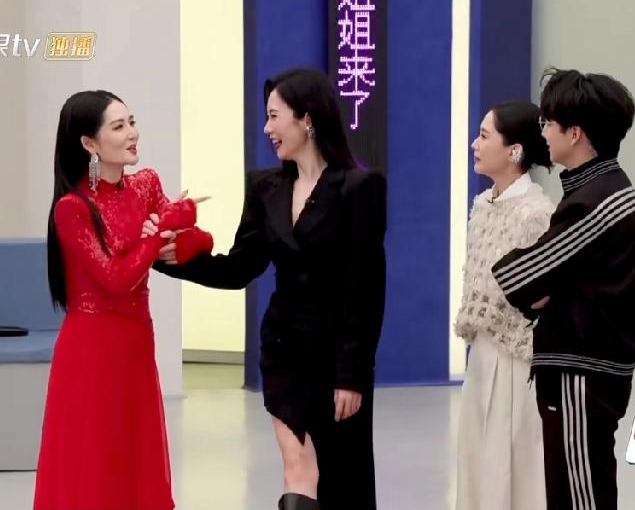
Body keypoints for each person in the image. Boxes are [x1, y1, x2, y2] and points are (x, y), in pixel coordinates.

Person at [155, 68, 386, 510]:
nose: (266, 129)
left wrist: (352, 376)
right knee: (298, 467)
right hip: (284, 352)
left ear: (307, 118)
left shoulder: (360, 188)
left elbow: (366, 290)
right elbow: (238, 268)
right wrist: (168, 259)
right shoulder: (265, 187)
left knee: (344, 477)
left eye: (274, 116)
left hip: (335, 359)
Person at [34, 90, 211, 510]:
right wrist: (159, 234)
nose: (133, 133)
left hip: (135, 344)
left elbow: (200, 240)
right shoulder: (73, 208)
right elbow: (116, 279)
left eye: (131, 122)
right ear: (89, 143)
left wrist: (175, 234)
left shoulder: (145, 184)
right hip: (91, 351)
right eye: (118, 127)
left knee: (133, 455)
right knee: (95, 461)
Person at [493, 68, 635, 510]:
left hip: (581, 371)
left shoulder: (595, 202)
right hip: (589, 367)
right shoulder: (601, 190)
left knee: (580, 495)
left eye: (548, 123)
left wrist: (543, 284)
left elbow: (519, 276)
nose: (543, 131)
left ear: (575, 133)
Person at [455, 101, 554, 510]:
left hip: (517, 361)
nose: (474, 144)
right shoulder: (482, 205)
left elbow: (544, 298)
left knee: (511, 465)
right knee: (477, 460)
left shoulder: (538, 214)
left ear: (514, 150)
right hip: (481, 357)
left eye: (484, 136)